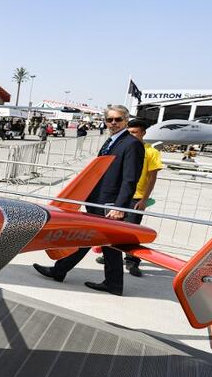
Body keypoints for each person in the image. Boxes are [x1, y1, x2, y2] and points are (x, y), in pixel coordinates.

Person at [33, 105, 145, 296]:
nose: (113, 123)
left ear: (126, 120)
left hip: (109, 204)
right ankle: (62, 270)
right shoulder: (111, 141)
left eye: (118, 119)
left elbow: (130, 179)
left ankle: (113, 284)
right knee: (89, 237)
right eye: (110, 120)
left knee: (109, 244)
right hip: (97, 200)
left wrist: (119, 207)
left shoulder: (132, 144)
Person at [95, 118, 163, 277]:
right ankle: (111, 256)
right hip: (117, 197)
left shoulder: (151, 152)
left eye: (134, 133)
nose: (131, 135)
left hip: (136, 198)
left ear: (143, 133)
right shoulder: (123, 147)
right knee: (112, 231)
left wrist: (144, 199)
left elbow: (152, 178)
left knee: (131, 233)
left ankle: (133, 262)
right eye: (129, 132)